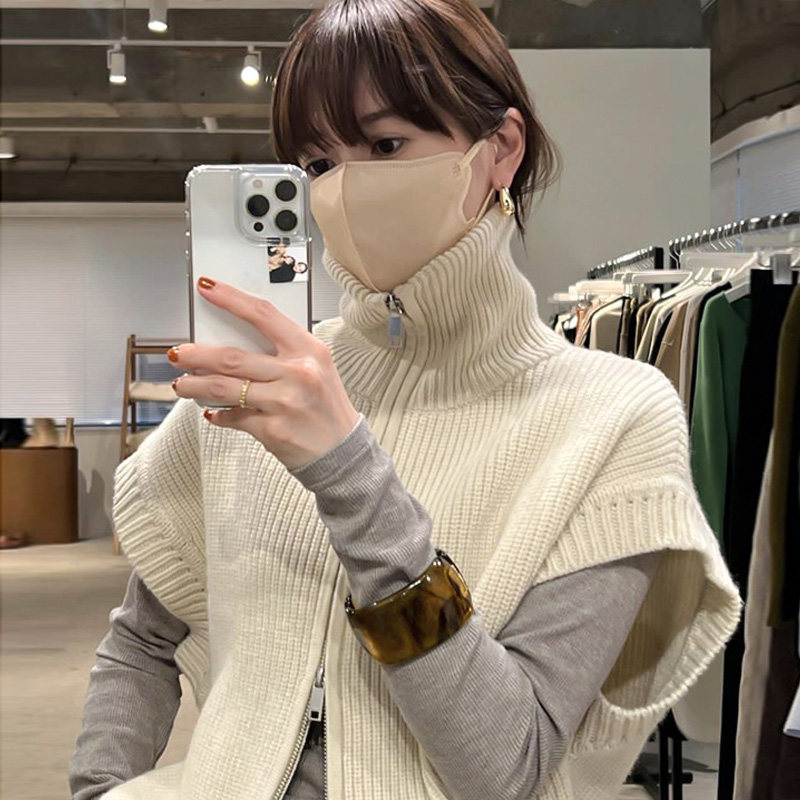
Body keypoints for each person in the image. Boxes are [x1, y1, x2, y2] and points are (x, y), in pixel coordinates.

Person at [69, 1, 741, 799]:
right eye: (318, 163)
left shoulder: (614, 419)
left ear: (501, 150)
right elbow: (142, 639)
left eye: (386, 145)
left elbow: (506, 768)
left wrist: (348, 472)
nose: (346, 188)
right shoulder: (257, 391)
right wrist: (100, 788)